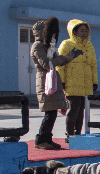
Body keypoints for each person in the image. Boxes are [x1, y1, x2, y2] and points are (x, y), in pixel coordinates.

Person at [30, 17, 74, 149]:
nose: (54, 35)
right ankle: (41, 140)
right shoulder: (38, 46)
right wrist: (62, 58)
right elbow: (46, 64)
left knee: (52, 112)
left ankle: (47, 139)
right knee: (50, 113)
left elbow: (55, 62)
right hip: (45, 81)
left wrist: (69, 58)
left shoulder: (48, 46)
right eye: (51, 32)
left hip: (51, 79)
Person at [56, 19, 97, 141]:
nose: (84, 33)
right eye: (81, 30)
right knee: (73, 110)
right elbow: (60, 65)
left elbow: (93, 65)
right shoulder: (66, 44)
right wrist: (61, 81)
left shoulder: (89, 46)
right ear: (74, 31)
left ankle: (78, 134)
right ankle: (70, 135)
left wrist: (95, 81)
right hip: (71, 83)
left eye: (86, 31)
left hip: (85, 84)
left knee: (81, 112)